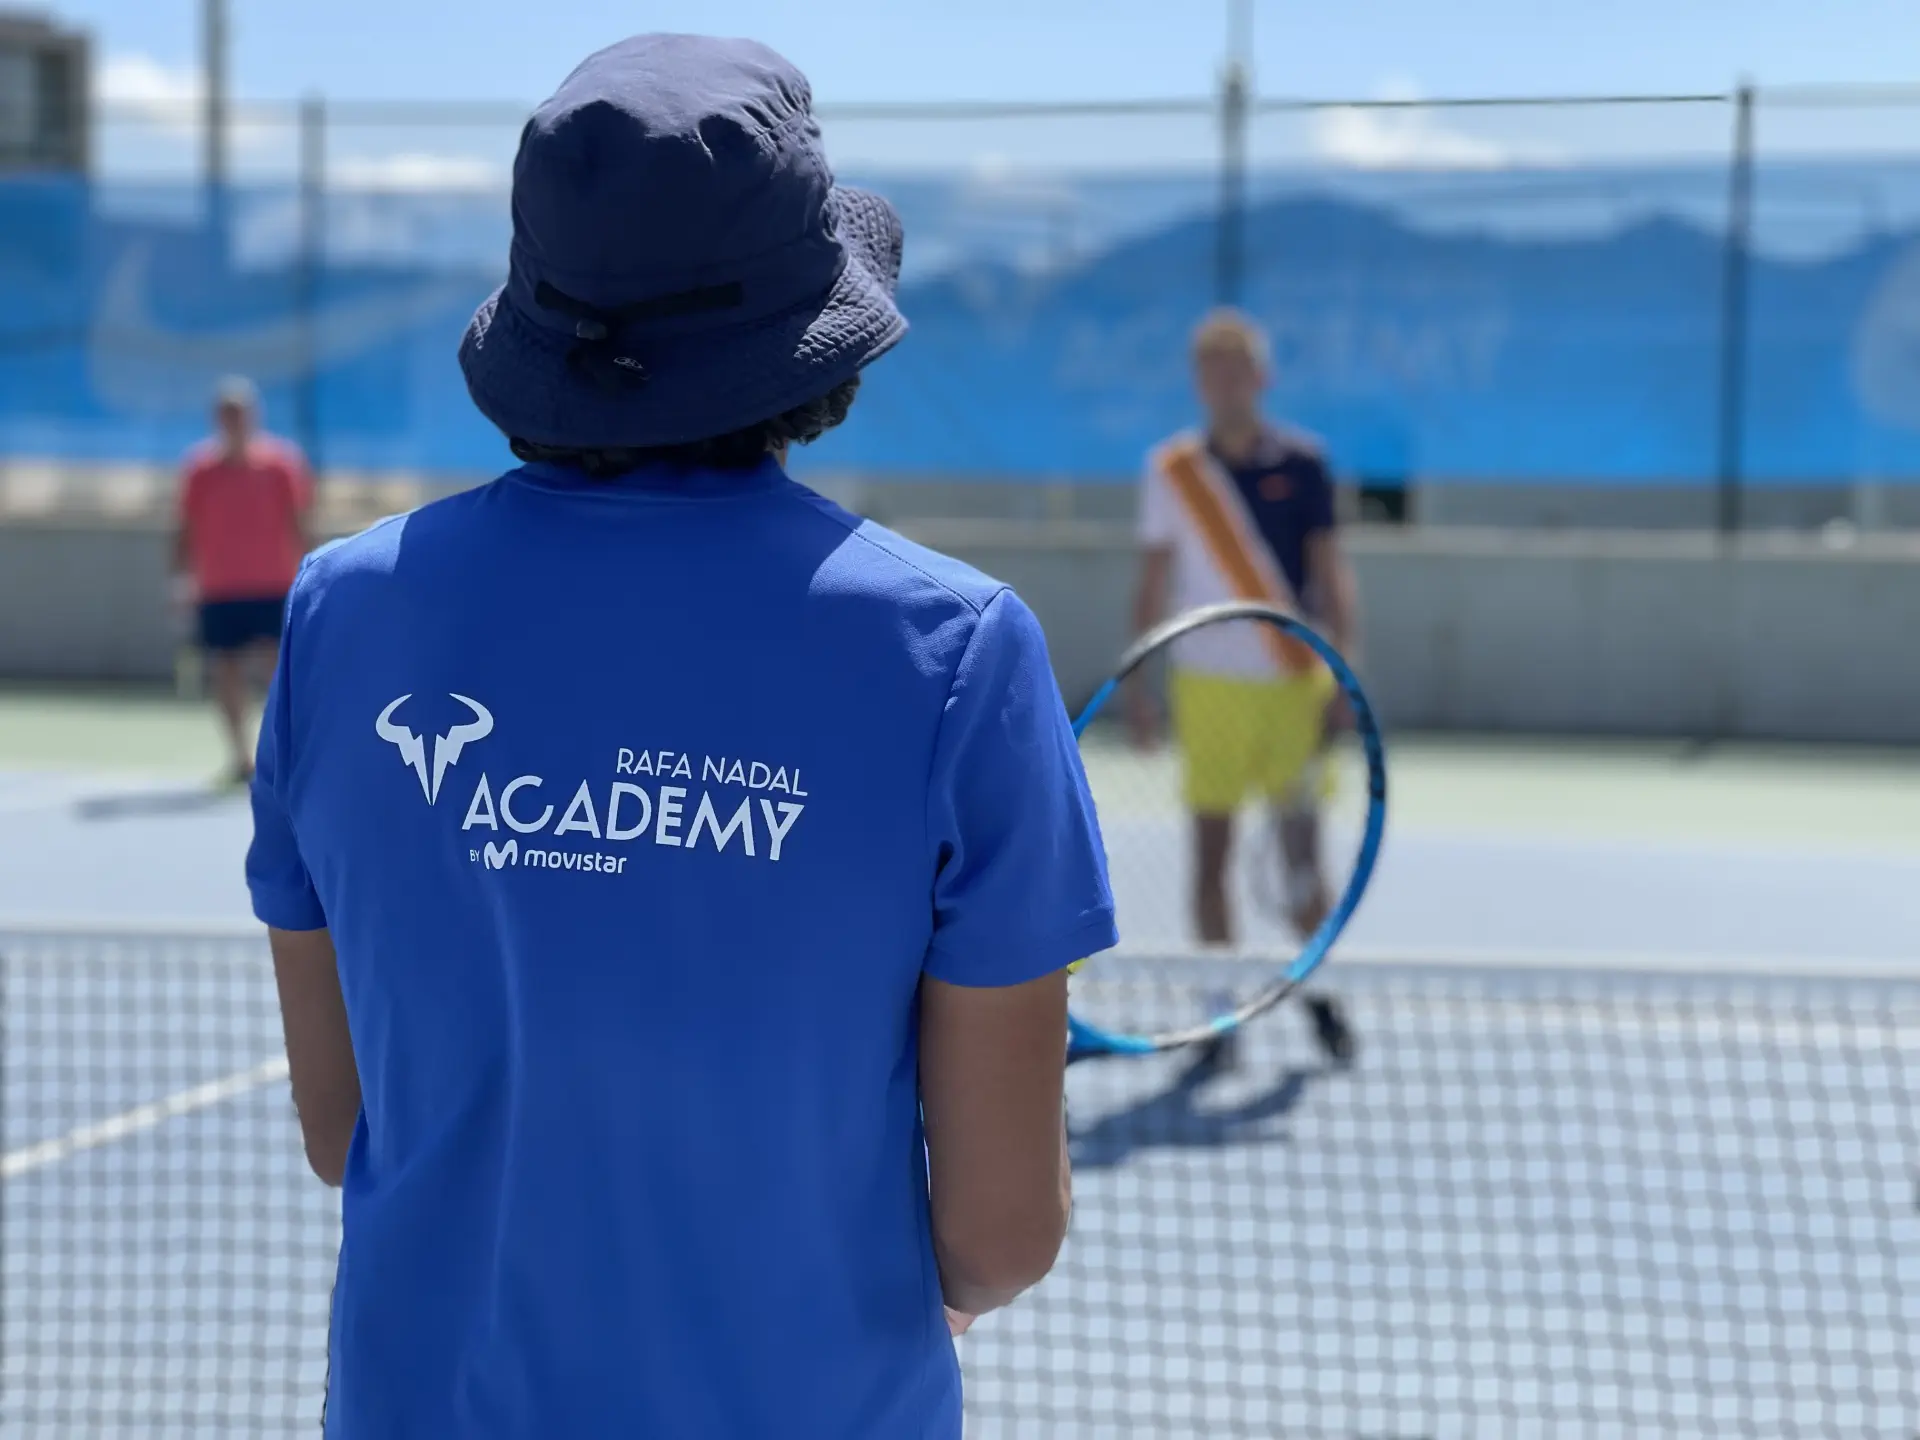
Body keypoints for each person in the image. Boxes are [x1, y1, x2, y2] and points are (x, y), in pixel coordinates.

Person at [246, 35, 1115, 1439]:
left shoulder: (341, 614)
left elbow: (346, 1131)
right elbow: (998, 1234)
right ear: (809, 337)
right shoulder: (956, 651)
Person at [1129, 309, 1359, 1064]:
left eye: (1237, 370)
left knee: (1301, 864)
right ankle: (1217, 1013)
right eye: (1211, 371)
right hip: (1207, 691)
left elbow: (1331, 575)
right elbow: (1153, 582)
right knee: (1212, 858)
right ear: (1198, 382)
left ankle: (1320, 996)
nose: (1224, 384)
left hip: (1293, 687)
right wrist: (1140, 685)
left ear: (1262, 378)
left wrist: (1342, 675)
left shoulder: (1306, 464)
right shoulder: (1171, 472)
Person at [173, 376, 313, 783]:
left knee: (280, 672)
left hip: (273, 583)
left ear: (254, 416)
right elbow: (185, 527)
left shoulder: (282, 464)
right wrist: (179, 580)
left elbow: (300, 522)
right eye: (227, 414)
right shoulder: (199, 469)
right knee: (226, 669)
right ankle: (240, 757)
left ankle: (284, 754)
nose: (234, 422)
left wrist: (313, 575)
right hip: (220, 586)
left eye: (241, 414)